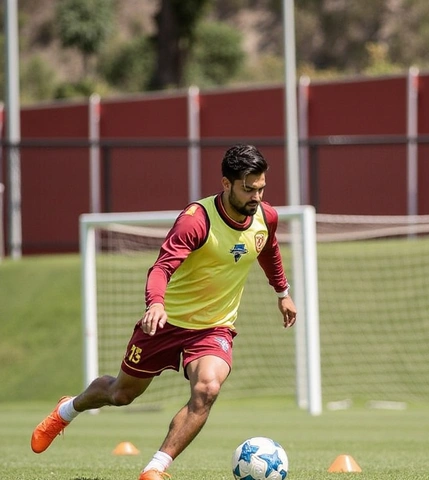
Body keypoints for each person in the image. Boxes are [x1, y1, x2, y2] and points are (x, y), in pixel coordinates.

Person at [31, 144, 297, 480]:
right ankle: (67, 410)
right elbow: (161, 268)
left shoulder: (265, 217)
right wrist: (155, 303)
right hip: (166, 321)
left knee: (207, 389)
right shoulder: (196, 221)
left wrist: (282, 292)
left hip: (214, 327)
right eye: (248, 188)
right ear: (226, 183)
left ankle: (156, 468)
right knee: (121, 394)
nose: (256, 197)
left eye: (261, 188)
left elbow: (268, 249)